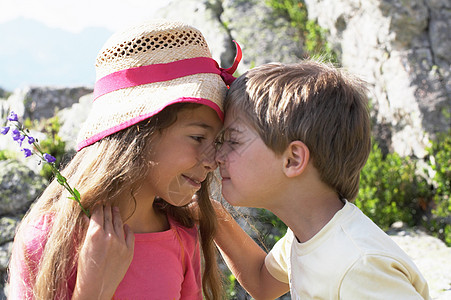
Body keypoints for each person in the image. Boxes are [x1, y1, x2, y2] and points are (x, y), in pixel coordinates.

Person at [8, 19, 241, 299]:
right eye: (197, 138)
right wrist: (92, 289)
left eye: (216, 142)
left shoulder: (182, 237)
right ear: (138, 133)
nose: (212, 160)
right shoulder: (48, 238)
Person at [213, 60, 431, 299]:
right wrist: (209, 215)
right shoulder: (308, 236)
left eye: (233, 141)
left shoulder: (359, 266)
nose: (218, 156)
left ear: (293, 160)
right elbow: (263, 283)